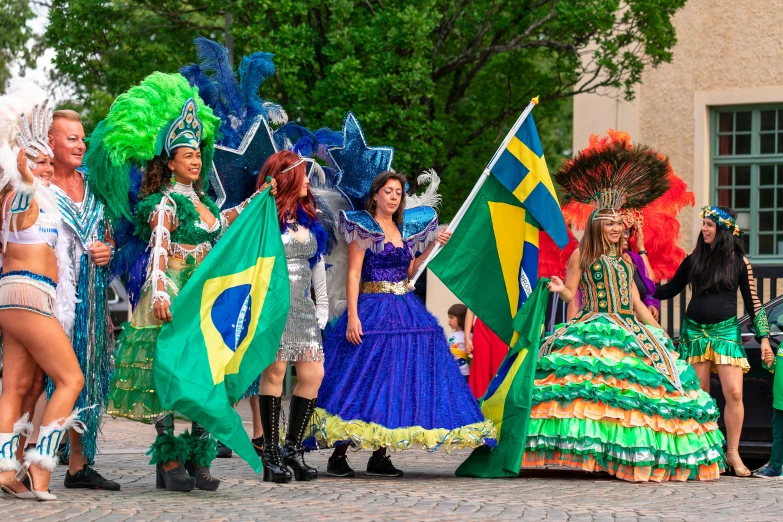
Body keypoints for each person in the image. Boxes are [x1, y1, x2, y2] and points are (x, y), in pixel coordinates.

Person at [89, 73, 258, 492]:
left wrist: (258, 200)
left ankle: (198, 459)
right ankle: (167, 461)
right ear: (169, 161)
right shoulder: (164, 201)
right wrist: (160, 290)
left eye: (198, 154)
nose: (195, 161)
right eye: (187, 154)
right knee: (165, 374)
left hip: (203, 296)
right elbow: (159, 247)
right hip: (172, 292)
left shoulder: (204, 203)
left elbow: (222, 226)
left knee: (205, 373)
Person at [527, 138, 725, 482]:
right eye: (610, 223)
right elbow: (571, 292)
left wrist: (658, 332)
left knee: (637, 393)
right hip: (592, 325)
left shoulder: (625, 260)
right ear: (597, 226)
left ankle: (626, 455)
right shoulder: (581, 256)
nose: (617, 229)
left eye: (621, 224)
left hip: (630, 328)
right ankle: (593, 454)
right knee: (589, 391)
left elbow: (635, 302)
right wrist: (560, 290)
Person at [316, 171, 496, 478]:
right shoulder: (363, 227)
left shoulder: (402, 230)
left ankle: (380, 455)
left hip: (404, 309)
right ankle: (339, 454)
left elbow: (411, 269)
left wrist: (431, 246)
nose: (394, 196)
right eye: (388, 191)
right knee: (363, 377)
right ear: (375, 196)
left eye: (398, 192)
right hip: (372, 309)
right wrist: (354, 316)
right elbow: (354, 275)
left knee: (396, 380)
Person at [0, 80, 84, 500]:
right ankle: (40, 464)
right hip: (29, 296)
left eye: (50, 162)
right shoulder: (20, 195)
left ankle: (3, 469)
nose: (47, 168)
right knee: (71, 379)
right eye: (40, 161)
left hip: (19, 298)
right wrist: (24, 160)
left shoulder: (38, 197)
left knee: (14, 387)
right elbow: (24, 185)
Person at [654, 205, 771, 477]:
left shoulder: (739, 261)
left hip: (725, 333)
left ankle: (733, 453)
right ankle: (703, 454)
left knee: (735, 393)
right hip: (695, 333)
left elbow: (754, 302)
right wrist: (636, 284)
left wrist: (764, 337)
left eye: (709, 224)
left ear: (724, 230)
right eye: (703, 223)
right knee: (701, 396)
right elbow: (670, 289)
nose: (704, 229)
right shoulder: (694, 258)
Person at [47, 108, 120, 491]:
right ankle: (27, 460)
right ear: (51, 142)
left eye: (82, 138)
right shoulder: (39, 186)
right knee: (45, 381)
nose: (80, 144)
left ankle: (78, 466)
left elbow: (112, 235)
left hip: (91, 298)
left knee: (88, 378)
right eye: (71, 137)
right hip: (48, 298)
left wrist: (109, 249)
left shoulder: (95, 185)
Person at [249, 151, 328, 483]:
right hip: (274, 307)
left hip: (304, 310)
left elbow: (317, 264)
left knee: (313, 375)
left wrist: (322, 307)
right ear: (286, 179)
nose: (308, 180)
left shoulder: (309, 220)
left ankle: (292, 451)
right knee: (276, 374)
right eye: (302, 174)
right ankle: (269, 454)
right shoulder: (264, 216)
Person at [465, 311, 509, 398]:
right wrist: (466, 337)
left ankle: (498, 403)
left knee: (499, 367)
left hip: (503, 325)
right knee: (481, 368)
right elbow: (471, 309)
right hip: (483, 325)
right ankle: (477, 404)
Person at [447, 304, 469, 380]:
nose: (449, 320)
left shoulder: (468, 335)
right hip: (451, 371)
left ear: (461, 318)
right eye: (449, 317)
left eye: (452, 317)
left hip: (463, 372)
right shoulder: (450, 335)